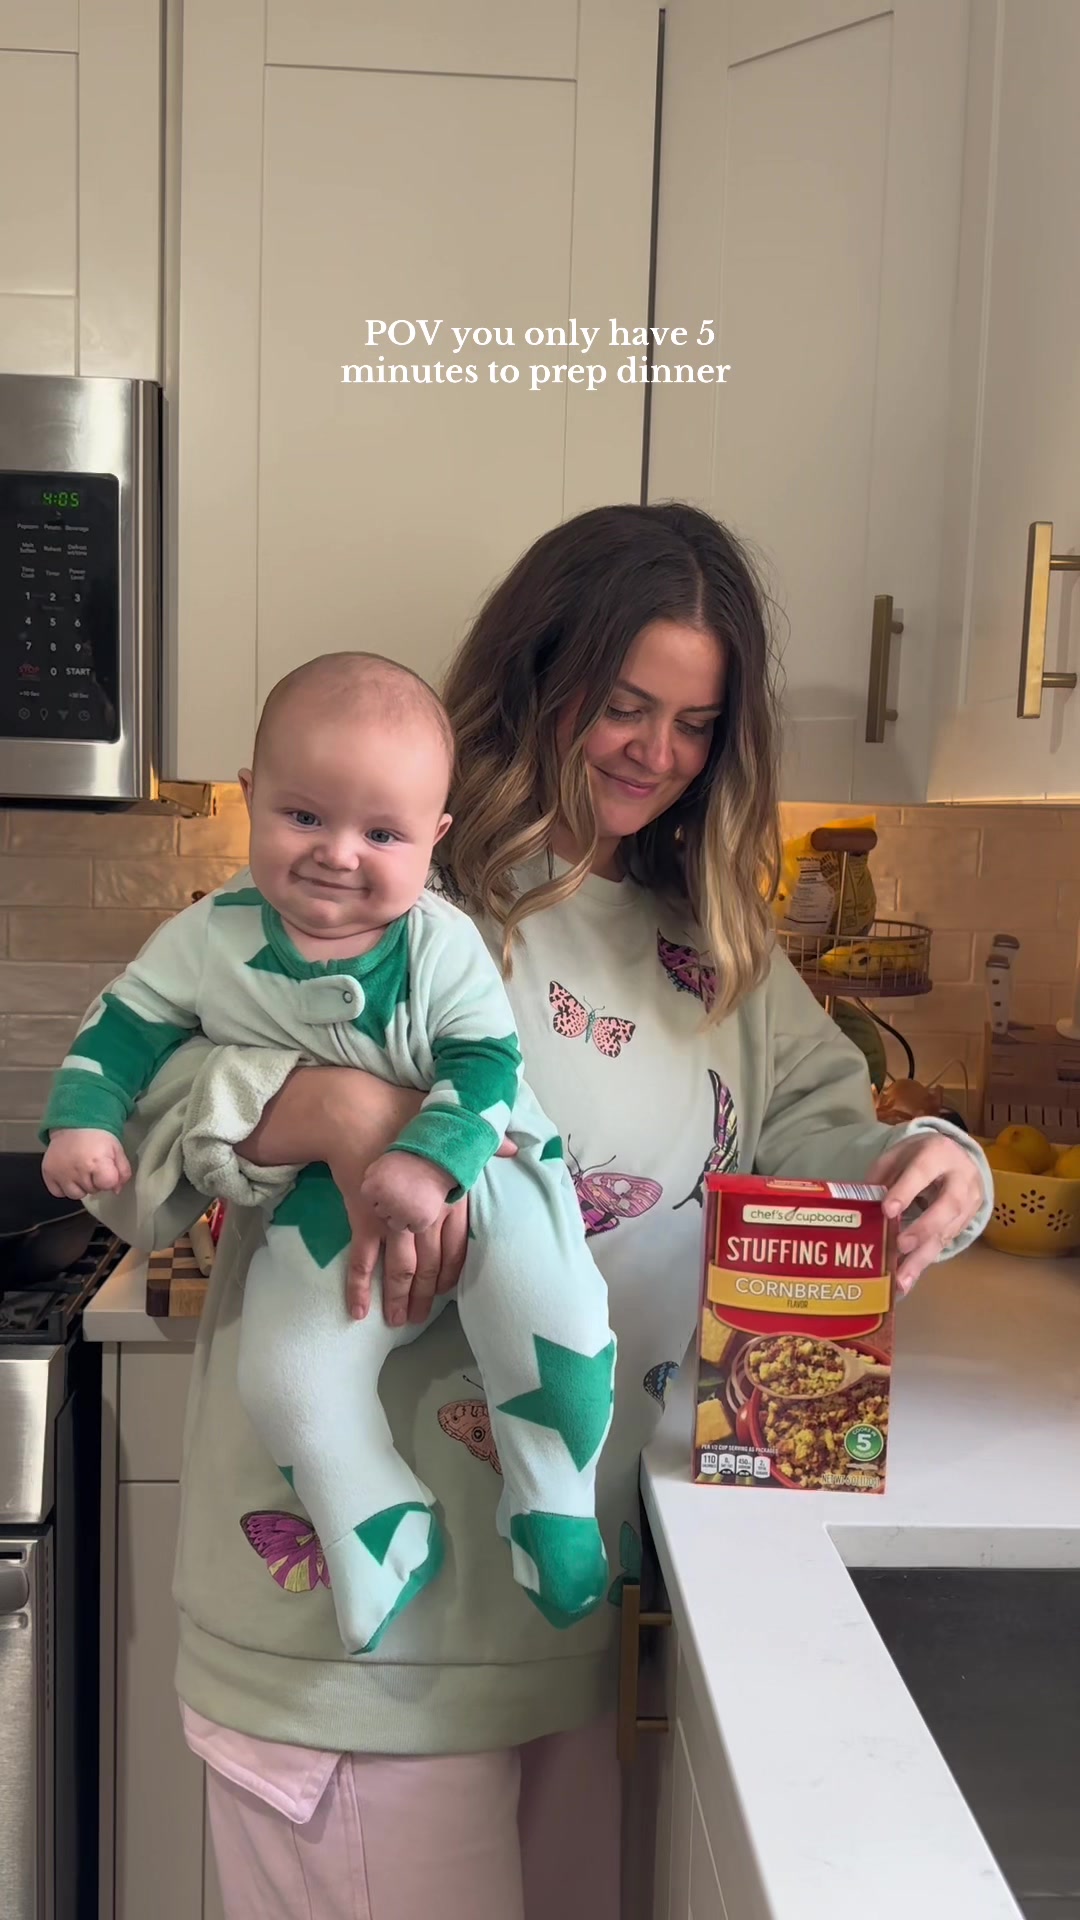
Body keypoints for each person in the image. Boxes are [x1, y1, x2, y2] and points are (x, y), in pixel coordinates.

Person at [89, 503, 990, 1920]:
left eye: (695, 724)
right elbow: (136, 1146)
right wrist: (330, 1112)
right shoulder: (376, 869)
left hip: (570, 1607)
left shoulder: (706, 938)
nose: (654, 752)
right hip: (356, 1640)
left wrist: (935, 1163)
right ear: (537, 676)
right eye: (624, 704)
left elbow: (821, 1132)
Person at [41, 653, 616, 1651]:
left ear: (433, 839)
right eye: (304, 816)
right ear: (251, 796)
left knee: (557, 1322)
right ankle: (375, 1523)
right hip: (321, 1208)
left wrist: (429, 1161)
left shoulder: (440, 943)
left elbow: (489, 1063)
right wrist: (83, 1119)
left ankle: (553, 1499)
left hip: (494, 1170)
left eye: (382, 834)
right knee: (286, 1377)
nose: (338, 855)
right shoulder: (210, 934)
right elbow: (124, 1027)